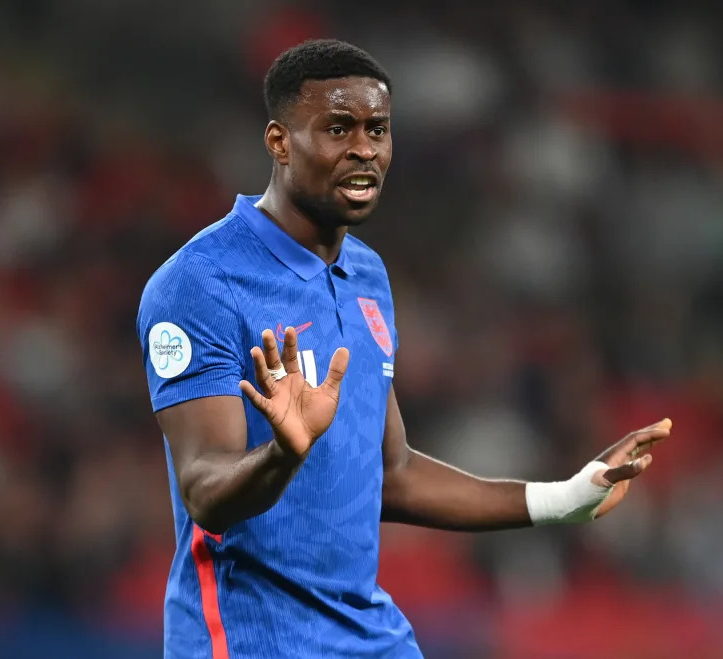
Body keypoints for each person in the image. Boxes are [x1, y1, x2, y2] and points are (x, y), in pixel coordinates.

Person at [137, 39, 672, 659]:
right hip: (252, 639)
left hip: (369, 636)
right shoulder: (199, 281)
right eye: (338, 128)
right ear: (279, 142)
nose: (364, 148)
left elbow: (392, 475)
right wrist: (284, 454)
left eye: (377, 129)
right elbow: (204, 490)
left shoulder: (367, 275)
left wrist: (566, 497)